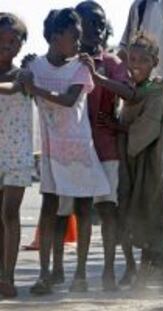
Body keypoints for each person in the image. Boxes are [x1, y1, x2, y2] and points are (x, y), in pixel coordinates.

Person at [20, 8, 110, 295]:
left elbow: (70, 100)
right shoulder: (35, 67)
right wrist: (28, 81)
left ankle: (80, 274)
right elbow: (24, 90)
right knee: (51, 211)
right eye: (74, 36)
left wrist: (35, 89)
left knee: (83, 208)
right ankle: (46, 273)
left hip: (78, 148)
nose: (79, 42)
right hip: (50, 150)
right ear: (56, 37)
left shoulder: (81, 68)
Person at [81, 31, 163, 286]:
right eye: (131, 59)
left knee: (147, 213)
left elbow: (147, 129)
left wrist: (118, 128)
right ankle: (131, 267)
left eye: (142, 60)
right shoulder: (134, 88)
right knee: (125, 213)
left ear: (154, 61)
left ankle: (150, 271)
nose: (135, 65)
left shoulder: (156, 90)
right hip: (128, 162)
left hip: (147, 164)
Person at [74, 1, 132, 291]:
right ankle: (79, 274)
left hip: (107, 146)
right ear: (76, 25)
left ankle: (108, 271)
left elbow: (129, 92)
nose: (95, 28)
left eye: (100, 22)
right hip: (76, 150)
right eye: (88, 22)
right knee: (82, 210)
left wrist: (100, 78)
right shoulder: (67, 61)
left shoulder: (112, 63)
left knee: (108, 210)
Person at [0, 13, 32, 298]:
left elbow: (12, 89)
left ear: (22, 44)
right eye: (1, 39)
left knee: (9, 213)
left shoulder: (24, 74)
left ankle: (8, 276)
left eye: (13, 40)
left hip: (16, 155)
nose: (6, 44)